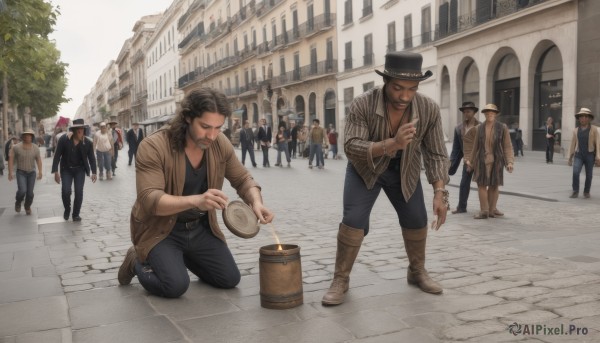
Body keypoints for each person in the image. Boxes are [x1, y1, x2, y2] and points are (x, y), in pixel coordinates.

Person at [117, 88, 274, 298]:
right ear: (188, 118)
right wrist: (197, 200)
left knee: (229, 279)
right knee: (174, 286)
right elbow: (149, 200)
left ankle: (178, 258)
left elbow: (244, 179)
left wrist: (256, 202)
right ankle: (136, 259)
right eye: (205, 127)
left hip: (200, 228)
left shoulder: (219, 143)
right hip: (161, 229)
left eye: (218, 128)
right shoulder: (153, 146)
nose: (212, 135)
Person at [321, 52, 449, 306]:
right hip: (365, 168)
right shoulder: (362, 104)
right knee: (353, 220)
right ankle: (341, 278)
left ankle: (416, 271)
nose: (405, 96)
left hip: (405, 169)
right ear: (386, 81)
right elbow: (352, 146)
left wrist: (439, 192)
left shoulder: (428, 109)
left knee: (416, 219)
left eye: (412, 89)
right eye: (398, 88)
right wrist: (393, 143)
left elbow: (436, 153)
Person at [463, 104, 514, 219]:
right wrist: (469, 161)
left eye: (491, 113)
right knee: (481, 184)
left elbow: (507, 146)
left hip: (497, 160)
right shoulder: (479, 128)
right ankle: (484, 211)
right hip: (481, 159)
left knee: (494, 185)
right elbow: (475, 145)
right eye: (487, 113)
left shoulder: (502, 127)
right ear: (484, 114)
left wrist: (509, 162)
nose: (489, 114)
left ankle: (491, 210)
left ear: (495, 114)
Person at [51, 119, 98, 221]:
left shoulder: (87, 143)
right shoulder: (64, 139)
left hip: (80, 170)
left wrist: (94, 172)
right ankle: (67, 209)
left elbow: (92, 159)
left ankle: (76, 214)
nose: (80, 131)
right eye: (78, 129)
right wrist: (55, 172)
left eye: (82, 129)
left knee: (79, 191)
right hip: (66, 169)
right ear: (74, 130)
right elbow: (57, 156)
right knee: (66, 191)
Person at [448, 102, 480, 214]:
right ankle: (462, 207)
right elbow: (456, 148)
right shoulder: (458, 128)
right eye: (464, 112)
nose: (466, 114)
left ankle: (487, 208)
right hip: (467, 159)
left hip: (479, 159)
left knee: (483, 184)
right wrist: (451, 162)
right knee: (464, 183)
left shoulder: (480, 126)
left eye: (469, 111)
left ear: (474, 112)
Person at [8, 130, 42, 215]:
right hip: (21, 172)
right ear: (22, 137)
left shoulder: (35, 147)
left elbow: (38, 159)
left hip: (31, 173)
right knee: (22, 190)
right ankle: (18, 202)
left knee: (30, 193)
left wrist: (40, 172)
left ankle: (27, 206)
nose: (27, 137)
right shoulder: (16, 147)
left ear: (32, 137)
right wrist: (10, 172)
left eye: (29, 136)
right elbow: (11, 159)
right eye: (25, 136)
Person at [567, 108, 600, 199]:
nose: (583, 119)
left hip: (590, 155)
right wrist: (570, 157)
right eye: (581, 117)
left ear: (589, 119)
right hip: (579, 155)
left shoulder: (594, 130)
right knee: (575, 172)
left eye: (585, 117)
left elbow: (598, 143)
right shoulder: (576, 130)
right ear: (579, 119)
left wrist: (598, 157)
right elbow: (572, 144)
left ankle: (586, 191)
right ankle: (575, 191)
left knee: (589, 175)